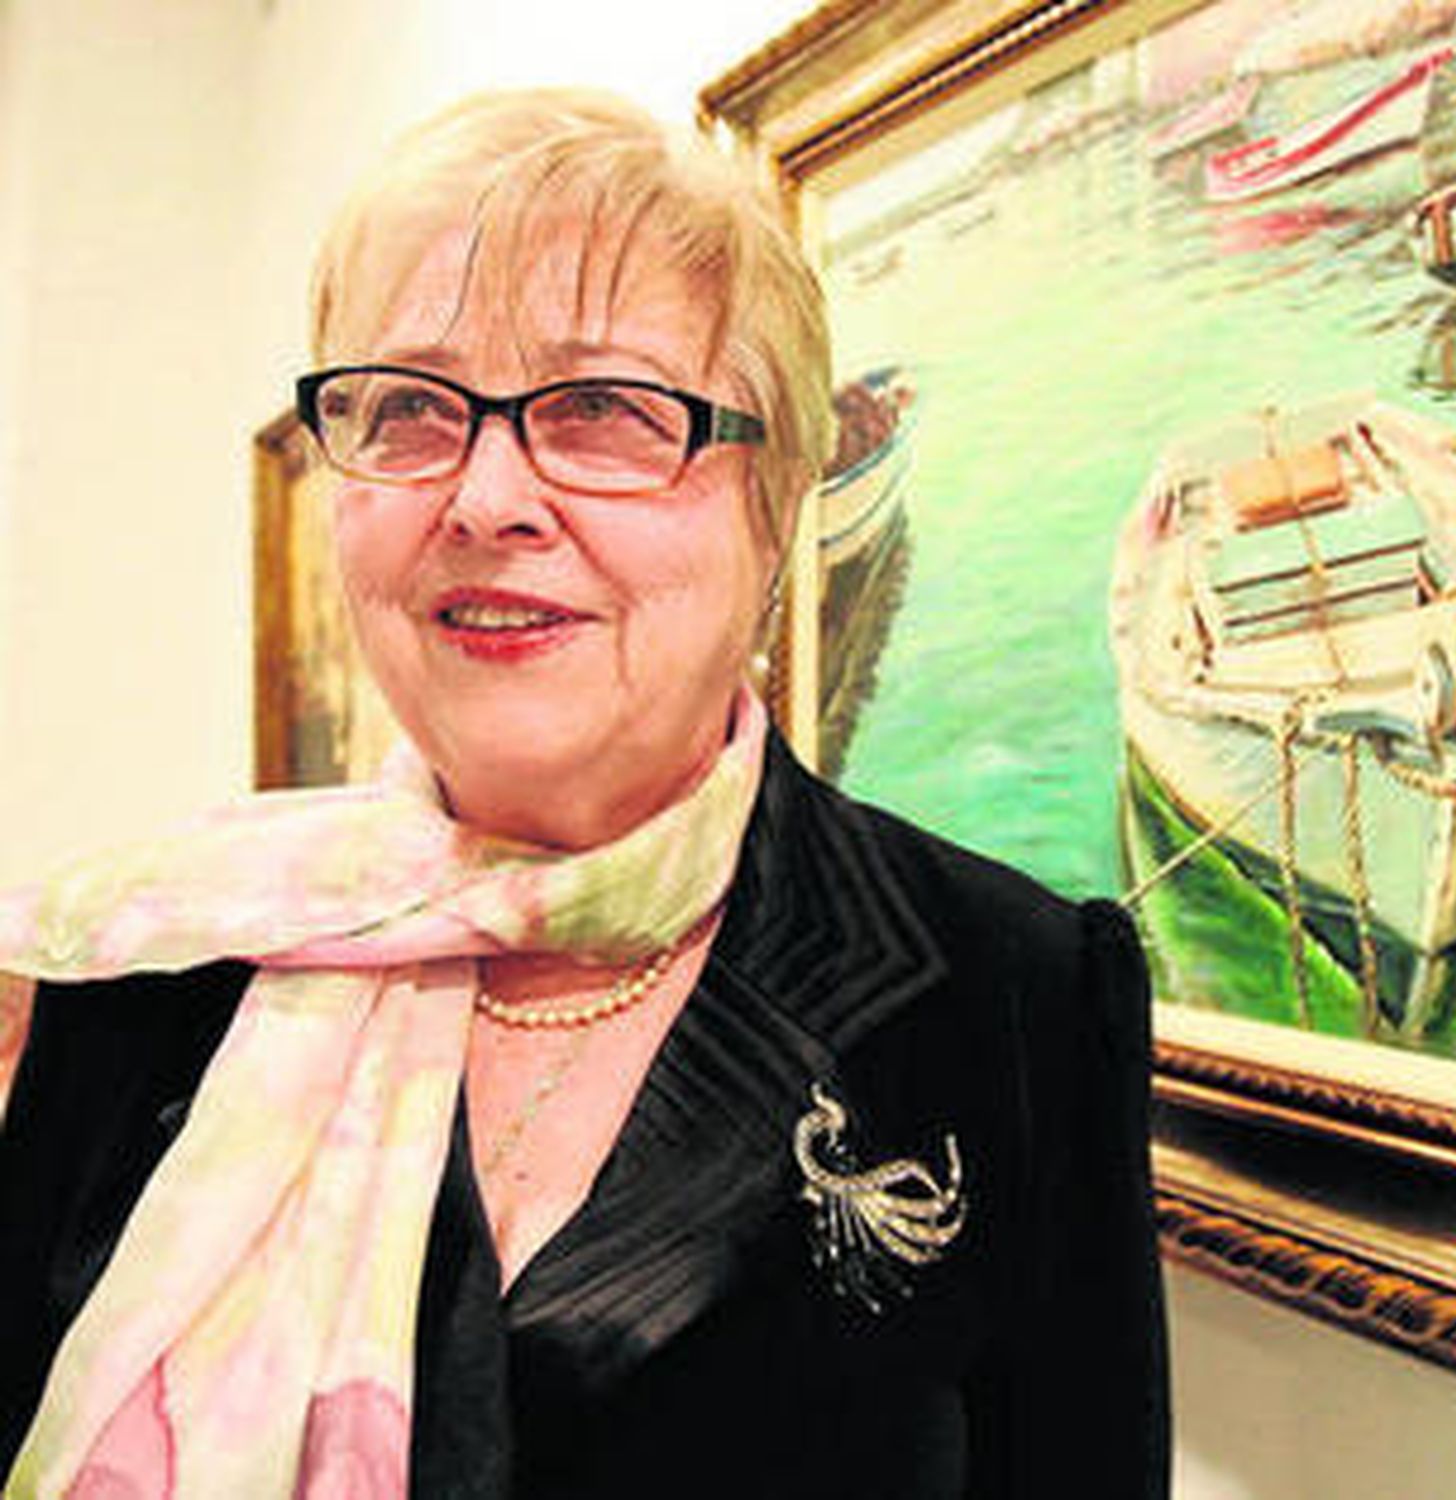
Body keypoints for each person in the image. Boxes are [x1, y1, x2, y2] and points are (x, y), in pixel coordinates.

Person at [0, 88, 1168, 1498]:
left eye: (603, 407)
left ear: (776, 496)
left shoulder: (1013, 989)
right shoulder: (140, 968)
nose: (486, 497)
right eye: (410, 407)